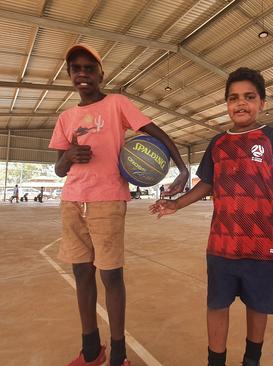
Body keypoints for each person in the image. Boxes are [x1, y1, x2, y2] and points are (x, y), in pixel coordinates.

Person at [150, 67, 273, 366]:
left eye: (249, 97)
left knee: (258, 306)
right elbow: (207, 185)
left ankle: (252, 361)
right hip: (222, 247)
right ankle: (216, 361)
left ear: (262, 103)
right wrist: (176, 204)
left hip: (264, 247)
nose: (241, 103)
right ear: (226, 103)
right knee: (217, 305)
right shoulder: (217, 144)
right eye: (233, 98)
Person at [48, 43, 189, 366]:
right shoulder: (66, 117)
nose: (82, 74)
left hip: (107, 201)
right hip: (72, 202)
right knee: (82, 275)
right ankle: (91, 351)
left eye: (89, 68)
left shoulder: (117, 104)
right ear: (69, 75)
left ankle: (119, 355)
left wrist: (182, 168)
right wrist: (69, 157)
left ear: (101, 73)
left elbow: (158, 132)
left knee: (111, 277)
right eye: (76, 69)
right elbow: (58, 169)